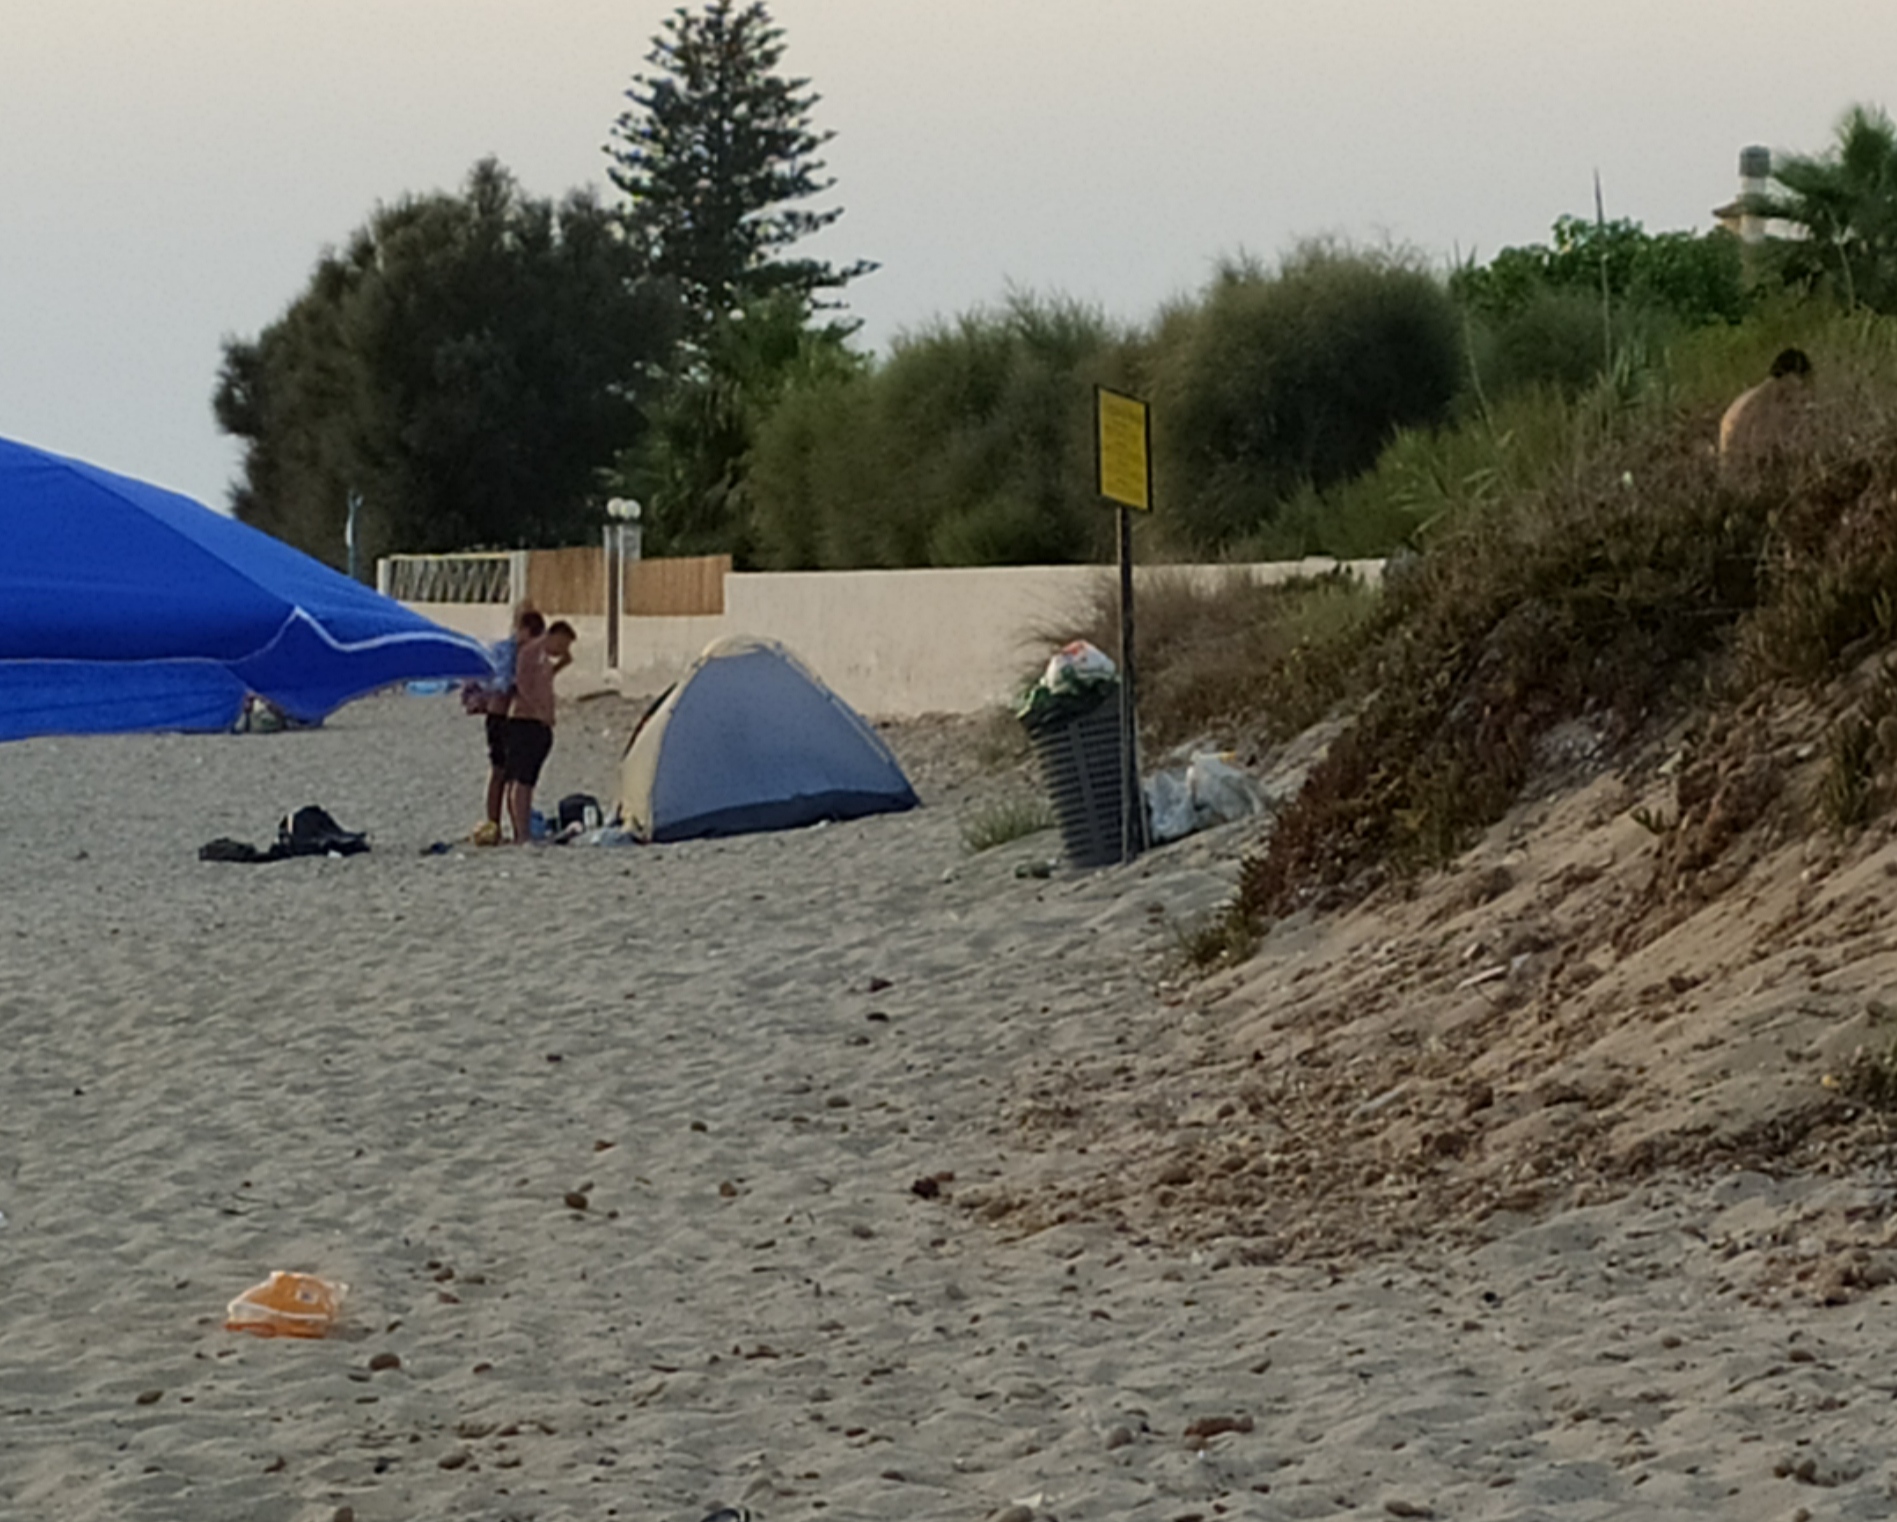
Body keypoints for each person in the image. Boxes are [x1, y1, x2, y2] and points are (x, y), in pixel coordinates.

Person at [467, 605, 543, 844]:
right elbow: (499, 684)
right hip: (498, 719)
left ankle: (512, 827)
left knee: (512, 774)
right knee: (500, 772)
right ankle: (495, 823)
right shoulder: (507, 652)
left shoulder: (525, 654)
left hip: (511, 720)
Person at [503, 619, 576, 844]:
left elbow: (543, 679)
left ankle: (523, 828)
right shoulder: (531, 652)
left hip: (539, 724)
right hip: (525, 721)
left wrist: (563, 662)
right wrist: (538, 711)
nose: (563, 650)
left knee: (529, 779)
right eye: (563, 644)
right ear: (554, 636)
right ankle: (521, 831)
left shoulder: (543, 658)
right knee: (521, 780)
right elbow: (523, 685)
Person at [1718, 347, 1813, 467]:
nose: (1801, 391)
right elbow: (1761, 451)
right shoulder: (1765, 403)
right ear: (1791, 376)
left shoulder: (1751, 397)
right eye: (1802, 383)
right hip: (1744, 469)